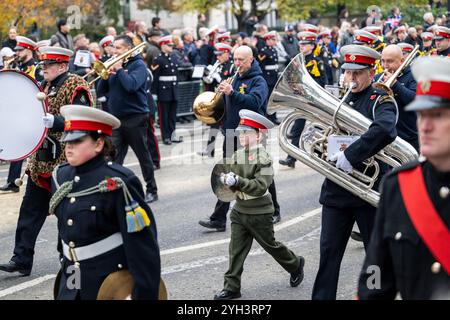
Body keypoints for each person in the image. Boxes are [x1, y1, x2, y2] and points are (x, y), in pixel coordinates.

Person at [358, 56, 450, 300]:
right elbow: (376, 271)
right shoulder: (398, 186)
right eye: (421, 115)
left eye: (438, 116)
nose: (425, 126)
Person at [311, 45, 398, 300]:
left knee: (375, 255)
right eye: (349, 72)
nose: (352, 79)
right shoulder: (341, 100)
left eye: (358, 73)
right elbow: (325, 133)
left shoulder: (380, 100)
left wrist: (351, 155)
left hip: (366, 193)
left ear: (372, 71)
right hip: (336, 191)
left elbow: (384, 129)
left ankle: (374, 297)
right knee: (328, 254)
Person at [49, 105, 160, 300]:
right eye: (67, 141)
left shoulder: (119, 182)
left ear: (99, 144)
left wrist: (143, 295)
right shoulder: (61, 175)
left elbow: (142, 248)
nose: (68, 147)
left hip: (109, 283)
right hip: (71, 277)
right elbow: (65, 230)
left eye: (77, 141)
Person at [0, 47, 92, 276]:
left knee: (66, 215)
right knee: (29, 212)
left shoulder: (76, 84)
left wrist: (58, 122)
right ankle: (21, 259)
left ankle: (69, 259)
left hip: (65, 162)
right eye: (43, 65)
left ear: (62, 66)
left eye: (48, 65)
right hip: (41, 161)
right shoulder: (45, 85)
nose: (44, 69)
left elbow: (85, 120)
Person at [213, 109, 305, 300]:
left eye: (246, 132)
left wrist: (237, 181)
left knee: (271, 246)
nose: (242, 136)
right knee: (236, 250)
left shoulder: (264, 159)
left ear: (259, 135)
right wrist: (223, 179)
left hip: (259, 212)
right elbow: (227, 180)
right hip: (239, 210)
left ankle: (295, 264)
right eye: (241, 132)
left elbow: (259, 186)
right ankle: (231, 287)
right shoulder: (238, 155)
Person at [198, 45, 282, 231]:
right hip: (231, 131)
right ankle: (219, 218)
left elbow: (255, 102)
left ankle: (274, 210)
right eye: (235, 59)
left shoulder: (258, 80)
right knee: (227, 171)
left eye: (241, 60)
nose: (237, 63)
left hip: (252, 132)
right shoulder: (233, 78)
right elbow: (229, 105)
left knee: (261, 170)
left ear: (250, 60)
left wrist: (232, 92)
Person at [97, 35, 158, 204]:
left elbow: (131, 85)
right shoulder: (116, 66)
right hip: (116, 119)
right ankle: (113, 190)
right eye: (113, 48)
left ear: (128, 49)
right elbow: (101, 90)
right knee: (113, 157)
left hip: (135, 118)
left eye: (118, 48)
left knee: (143, 156)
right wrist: (105, 76)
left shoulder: (138, 65)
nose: (114, 51)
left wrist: (118, 70)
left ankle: (152, 189)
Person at [0, 36, 42, 193]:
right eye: (16, 50)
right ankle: (13, 181)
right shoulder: (19, 67)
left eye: (20, 50)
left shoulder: (36, 68)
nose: (17, 53)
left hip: (34, 114)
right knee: (18, 146)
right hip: (20, 112)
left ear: (29, 50)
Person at [279, 31, 325, 169]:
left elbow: (321, 81)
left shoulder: (316, 62)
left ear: (312, 46)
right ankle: (291, 157)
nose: (301, 46)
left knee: (319, 127)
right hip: (302, 99)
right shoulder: (299, 60)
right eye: (301, 44)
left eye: (305, 44)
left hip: (313, 100)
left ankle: (322, 155)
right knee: (297, 127)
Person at [378, 44, 418, 150]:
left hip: (407, 137)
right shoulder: (379, 77)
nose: (385, 65)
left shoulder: (413, 76)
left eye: (389, 61)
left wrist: (395, 84)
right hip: (385, 136)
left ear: (401, 60)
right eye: (383, 61)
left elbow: (414, 101)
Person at [198, 43, 234, 158]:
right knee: (214, 125)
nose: (217, 57)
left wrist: (219, 79)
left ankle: (231, 150)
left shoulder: (231, 66)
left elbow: (231, 83)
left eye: (220, 55)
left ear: (227, 53)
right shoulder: (218, 65)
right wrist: (207, 76)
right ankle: (210, 149)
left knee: (227, 128)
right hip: (218, 100)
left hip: (227, 101)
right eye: (217, 55)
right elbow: (210, 82)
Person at [151, 35, 182, 145]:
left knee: (172, 115)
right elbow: (155, 78)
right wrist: (154, 93)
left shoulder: (173, 57)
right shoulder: (158, 59)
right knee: (164, 116)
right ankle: (166, 137)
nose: (171, 47)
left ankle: (173, 135)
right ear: (163, 46)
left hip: (173, 90)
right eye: (169, 45)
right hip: (163, 91)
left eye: (172, 45)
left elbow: (176, 75)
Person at [258, 31, 279, 96]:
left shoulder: (274, 50)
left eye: (274, 40)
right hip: (267, 76)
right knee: (268, 94)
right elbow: (261, 64)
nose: (274, 41)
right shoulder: (263, 51)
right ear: (267, 40)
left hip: (274, 75)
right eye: (273, 40)